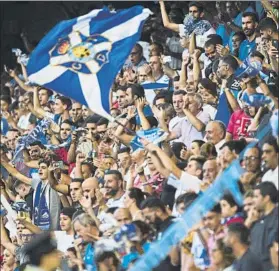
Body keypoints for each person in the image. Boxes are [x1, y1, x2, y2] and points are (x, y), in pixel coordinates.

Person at [250, 182, 278, 270]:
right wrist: (248, 221)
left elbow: (274, 247)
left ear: (266, 198)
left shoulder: (276, 217)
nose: (253, 200)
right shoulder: (257, 219)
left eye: (256, 197)